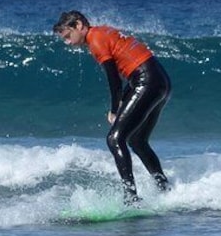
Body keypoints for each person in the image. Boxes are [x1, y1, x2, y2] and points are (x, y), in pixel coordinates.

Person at [53, 10, 171, 203]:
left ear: (79, 26)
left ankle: (131, 196)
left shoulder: (95, 40)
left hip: (147, 82)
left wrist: (114, 109)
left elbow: (114, 78)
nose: (68, 42)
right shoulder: (103, 32)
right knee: (137, 140)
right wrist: (125, 97)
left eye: (68, 36)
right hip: (160, 82)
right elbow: (131, 69)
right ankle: (165, 189)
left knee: (115, 139)